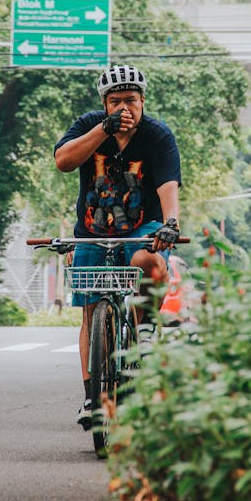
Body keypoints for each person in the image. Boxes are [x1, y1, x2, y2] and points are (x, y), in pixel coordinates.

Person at [54, 64, 182, 429]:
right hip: (93, 230)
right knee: (92, 313)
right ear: (104, 103)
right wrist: (102, 130)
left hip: (144, 227)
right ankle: (92, 397)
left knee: (148, 261)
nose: (124, 108)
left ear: (143, 101)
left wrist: (171, 223)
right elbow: (64, 161)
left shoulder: (157, 135)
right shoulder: (89, 125)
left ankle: (143, 335)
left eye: (130, 100)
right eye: (115, 101)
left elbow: (168, 187)